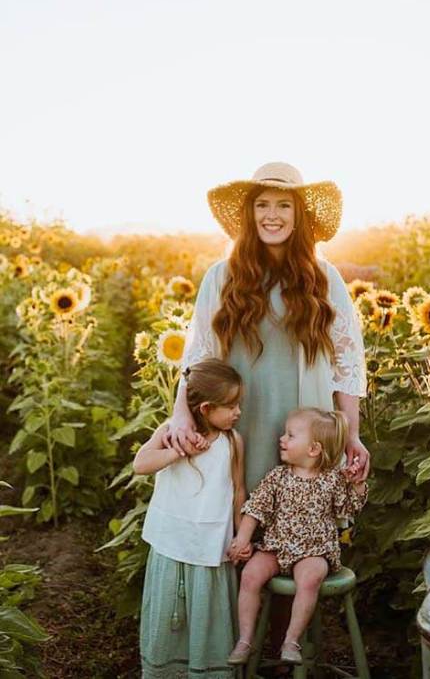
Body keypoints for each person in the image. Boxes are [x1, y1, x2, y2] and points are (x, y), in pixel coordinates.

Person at [162, 161, 371, 664]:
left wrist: (351, 436)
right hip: (242, 419)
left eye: (283, 206)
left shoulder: (323, 278)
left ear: (299, 217)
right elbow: (199, 354)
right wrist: (181, 416)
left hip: (303, 423)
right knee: (242, 522)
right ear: (249, 214)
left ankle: (288, 649)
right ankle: (235, 647)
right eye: (262, 205)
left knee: (300, 521)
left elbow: (347, 360)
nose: (272, 215)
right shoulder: (224, 275)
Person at [227, 407, 368, 665]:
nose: (282, 439)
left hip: (314, 550)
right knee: (250, 575)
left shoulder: (332, 480)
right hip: (276, 547)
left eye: (290, 435)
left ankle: (291, 640)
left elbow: (348, 509)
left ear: (313, 449)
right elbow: (256, 508)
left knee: (310, 578)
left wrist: (356, 485)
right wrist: (243, 538)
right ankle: (244, 640)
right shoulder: (278, 476)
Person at [135, 358, 247, 679]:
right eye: (232, 406)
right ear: (207, 408)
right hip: (171, 541)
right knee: (170, 612)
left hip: (211, 547)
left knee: (207, 612)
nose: (238, 412)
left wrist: (241, 536)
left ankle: (206, 670)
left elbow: (238, 491)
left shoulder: (232, 442)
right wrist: (178, 452)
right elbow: (140, 464)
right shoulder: (171, 432)